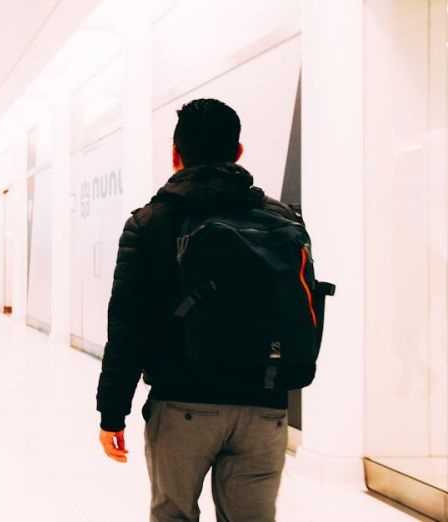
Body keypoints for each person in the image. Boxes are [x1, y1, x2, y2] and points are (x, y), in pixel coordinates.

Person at [95, 99, 303, 521]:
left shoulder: (149, 223)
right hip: (266, 405)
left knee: (173, 515)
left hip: (182, 404)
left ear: (176, 155)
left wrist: (112, 411)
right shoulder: (280, 218)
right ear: (238, 152)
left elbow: (127, 326)